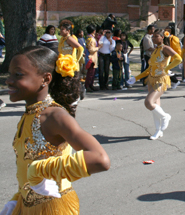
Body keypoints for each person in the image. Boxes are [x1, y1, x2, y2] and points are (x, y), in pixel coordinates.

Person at [2, 46, 110, 214]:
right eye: (9, 74)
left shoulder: (54, 115)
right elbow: (27, 168)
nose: (8, 81)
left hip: (53, 208)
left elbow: (100, 159)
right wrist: (17, 199)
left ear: (45, 79)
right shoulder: (30, 114)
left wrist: (40, 170)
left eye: (18, 75)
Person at [127, 29, 182, 140]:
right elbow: (149, 69)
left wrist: (166, 68)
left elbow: (178, 59)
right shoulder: (155, 50)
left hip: (161, 79)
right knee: (155, 107)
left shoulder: (166, 48)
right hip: (151, 80)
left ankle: (165, 116)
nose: (153, 38)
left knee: (148, 102)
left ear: (162, 37)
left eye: (156, 36)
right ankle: (158, 131)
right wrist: (136, 78)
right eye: (153, 37)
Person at [85, 25, 99, 92]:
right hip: (91, 57)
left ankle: (91, 85)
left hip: (93, 57)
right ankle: (87, 86)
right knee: (90, 73)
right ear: (94, 31)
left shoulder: (90, 37)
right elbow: (91, 49)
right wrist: (98, 48)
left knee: (92, 73)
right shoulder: (90, 39)